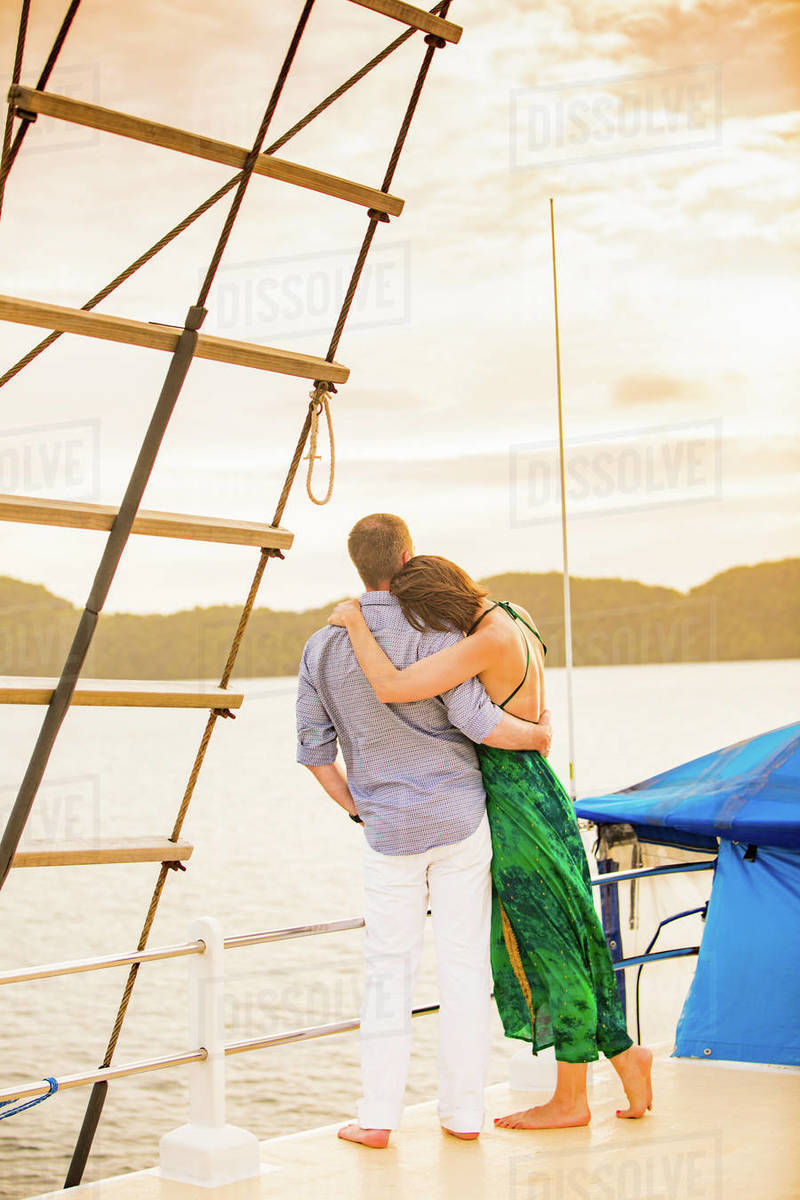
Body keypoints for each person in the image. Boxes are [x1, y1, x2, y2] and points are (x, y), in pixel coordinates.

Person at [328, 553, 653, 1130]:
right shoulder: (512, 615)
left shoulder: (482, 639)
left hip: (511, 797)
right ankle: (625, 1055)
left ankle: (573, 1099)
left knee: (548, 937)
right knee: (567, 925)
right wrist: (537, 733)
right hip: (535, 788)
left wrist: (355, 620)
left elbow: (394, 685)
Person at [296, 515, 553, 1149]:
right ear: (406, 557)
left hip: (388, 830)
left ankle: (378, 1119)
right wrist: (538, 735)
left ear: (357, 565)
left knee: (388, 971)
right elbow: (477, 722)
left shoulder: (321, 646)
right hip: (461, 820)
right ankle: (462, 1116)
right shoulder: (438, 631)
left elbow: (314, 752)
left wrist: (360, 809)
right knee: (465, 969)